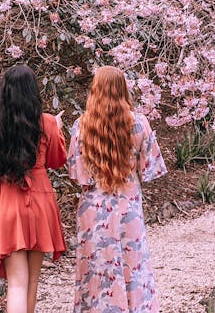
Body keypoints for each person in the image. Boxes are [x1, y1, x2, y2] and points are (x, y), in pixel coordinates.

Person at [67, 66, 167, 312]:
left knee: (96, 270)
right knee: (133, 268)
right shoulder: (139, 124)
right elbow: (151, 169)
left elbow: (77, 175)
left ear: (95, 90)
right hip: (128, 206)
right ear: (124, 89)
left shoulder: (81, 126)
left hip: (93, 210)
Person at [0, 64, 67, 313]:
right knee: (32, 282)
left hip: (8, 205)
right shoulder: (46, 122)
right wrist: (56, 130)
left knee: (16, 283)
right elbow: (57, 161)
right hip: (40, 204)